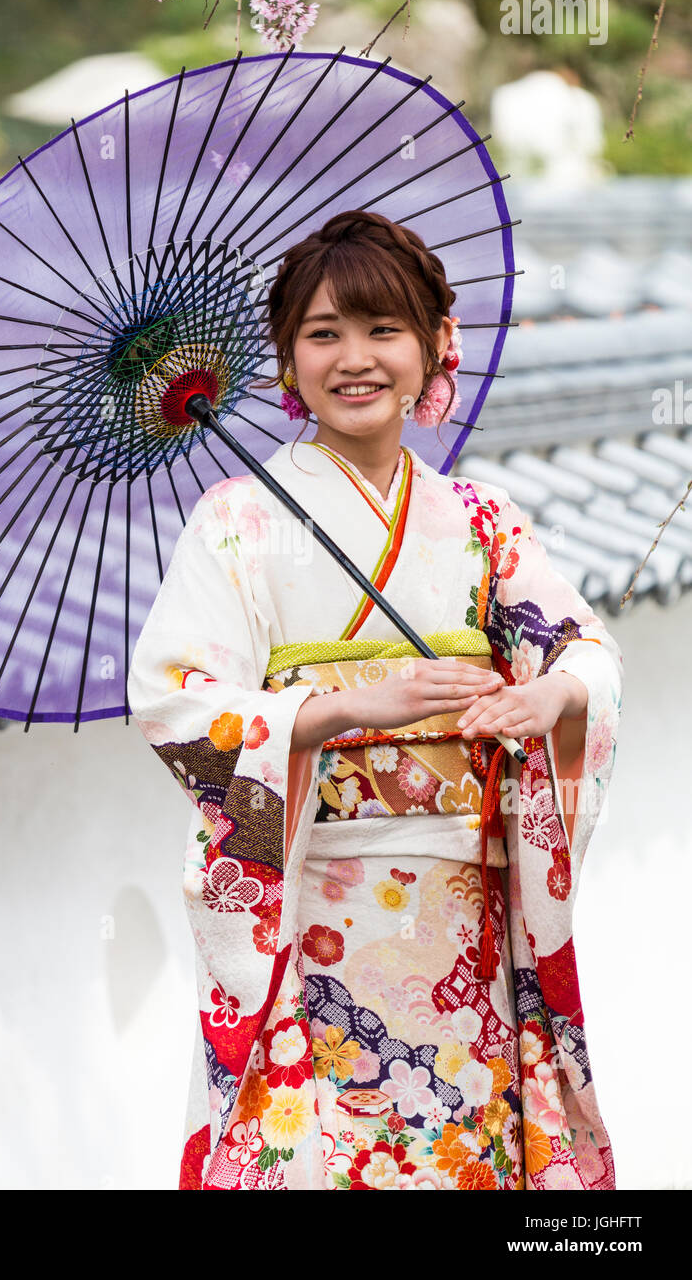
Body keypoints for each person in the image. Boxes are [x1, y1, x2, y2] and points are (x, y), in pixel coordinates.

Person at [126, 209, 623, 1191]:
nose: (353, 358)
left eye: (381, 329)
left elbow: (585, 653)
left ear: (436, 344)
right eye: (321, 334)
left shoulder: (483, 524)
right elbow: (175, 701)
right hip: (312, 919)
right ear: (285, 358)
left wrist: (552, 696)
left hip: (463, 930)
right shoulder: (236, 523)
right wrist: (347, 708)